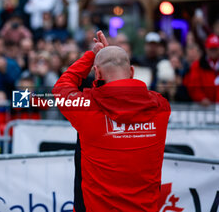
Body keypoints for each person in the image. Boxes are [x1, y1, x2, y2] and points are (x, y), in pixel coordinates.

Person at [53, 31, 171, 211]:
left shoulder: (87, 107)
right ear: (132, 71)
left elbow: (62, 87)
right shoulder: (161, 108)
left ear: (97, 74)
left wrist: (92, 55)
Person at [184, 34, 219, 105]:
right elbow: (193, 86)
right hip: (204, 109)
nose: (213, 51)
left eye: (215, 48)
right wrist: (201, 98)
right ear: (206, 49)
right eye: (211, 48)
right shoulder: (197, 65)